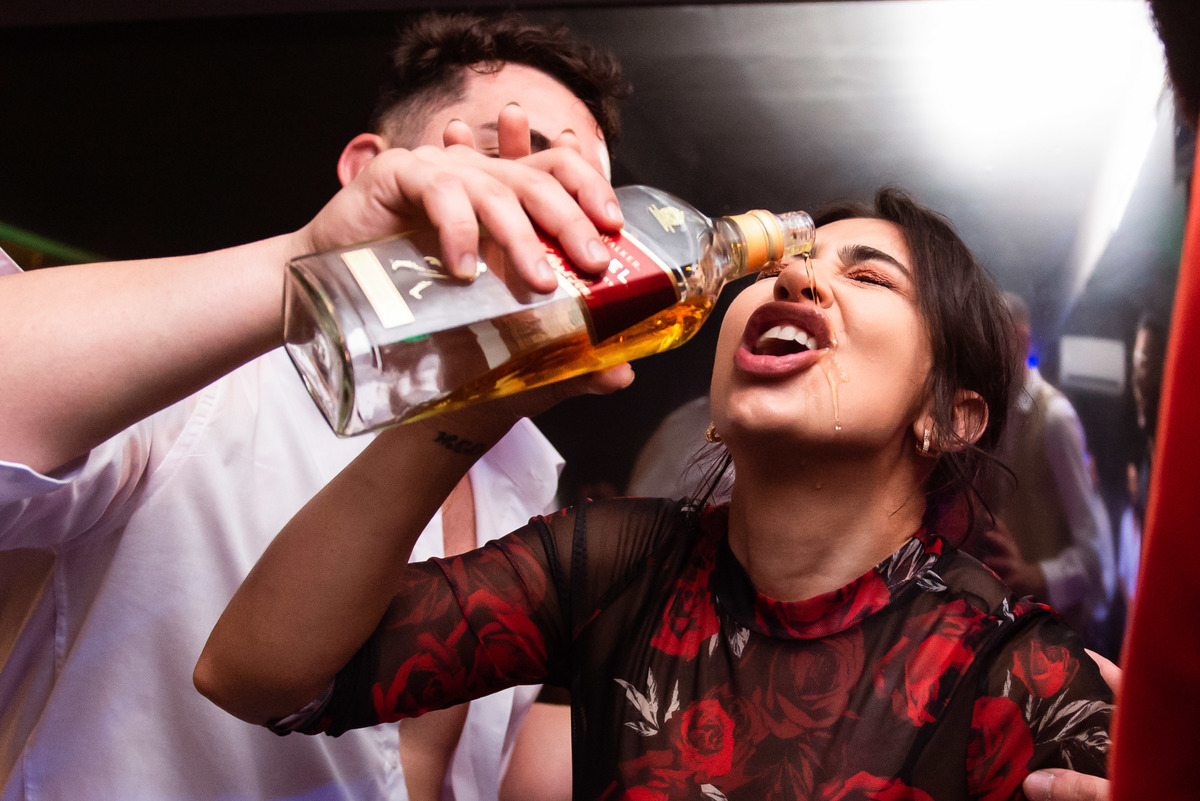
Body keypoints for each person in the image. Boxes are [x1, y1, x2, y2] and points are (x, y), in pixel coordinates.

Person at [197, 187, 1114, 799]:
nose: (793, 275)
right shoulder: (618, 563)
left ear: (950, 419)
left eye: (867, 276)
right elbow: (257, 674)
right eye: (780, 266)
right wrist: (474, 399)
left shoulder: (1014, 674)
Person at [0, 11, 629, 801]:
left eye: (581, 185)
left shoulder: (520, 467)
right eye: (513, 155)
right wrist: (305, 264)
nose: (541, 196)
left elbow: (452, 755)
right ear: (371, 165)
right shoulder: (209, 376)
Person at [971, 292, 1115, 653]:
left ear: (1021, 339)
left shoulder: (1055, 417)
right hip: (1007, 632)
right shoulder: (991, 414)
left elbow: (1094, 557)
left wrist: (1034, 576)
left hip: (1054, 639)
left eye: (992, 339)